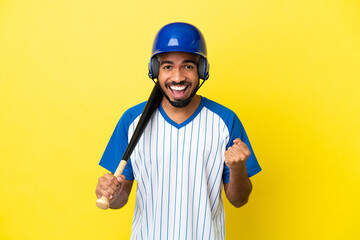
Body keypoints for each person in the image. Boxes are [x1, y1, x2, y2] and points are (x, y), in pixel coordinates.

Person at [95, 22, 261, 240]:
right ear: (156, 70)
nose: (177, 77)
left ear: (201, 70)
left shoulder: (225, 120)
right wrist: (110, 193)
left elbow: (239, 200)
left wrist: (237, 169)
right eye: (167, 67)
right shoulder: (132, 120)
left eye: (188, 66)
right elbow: (119, 200)